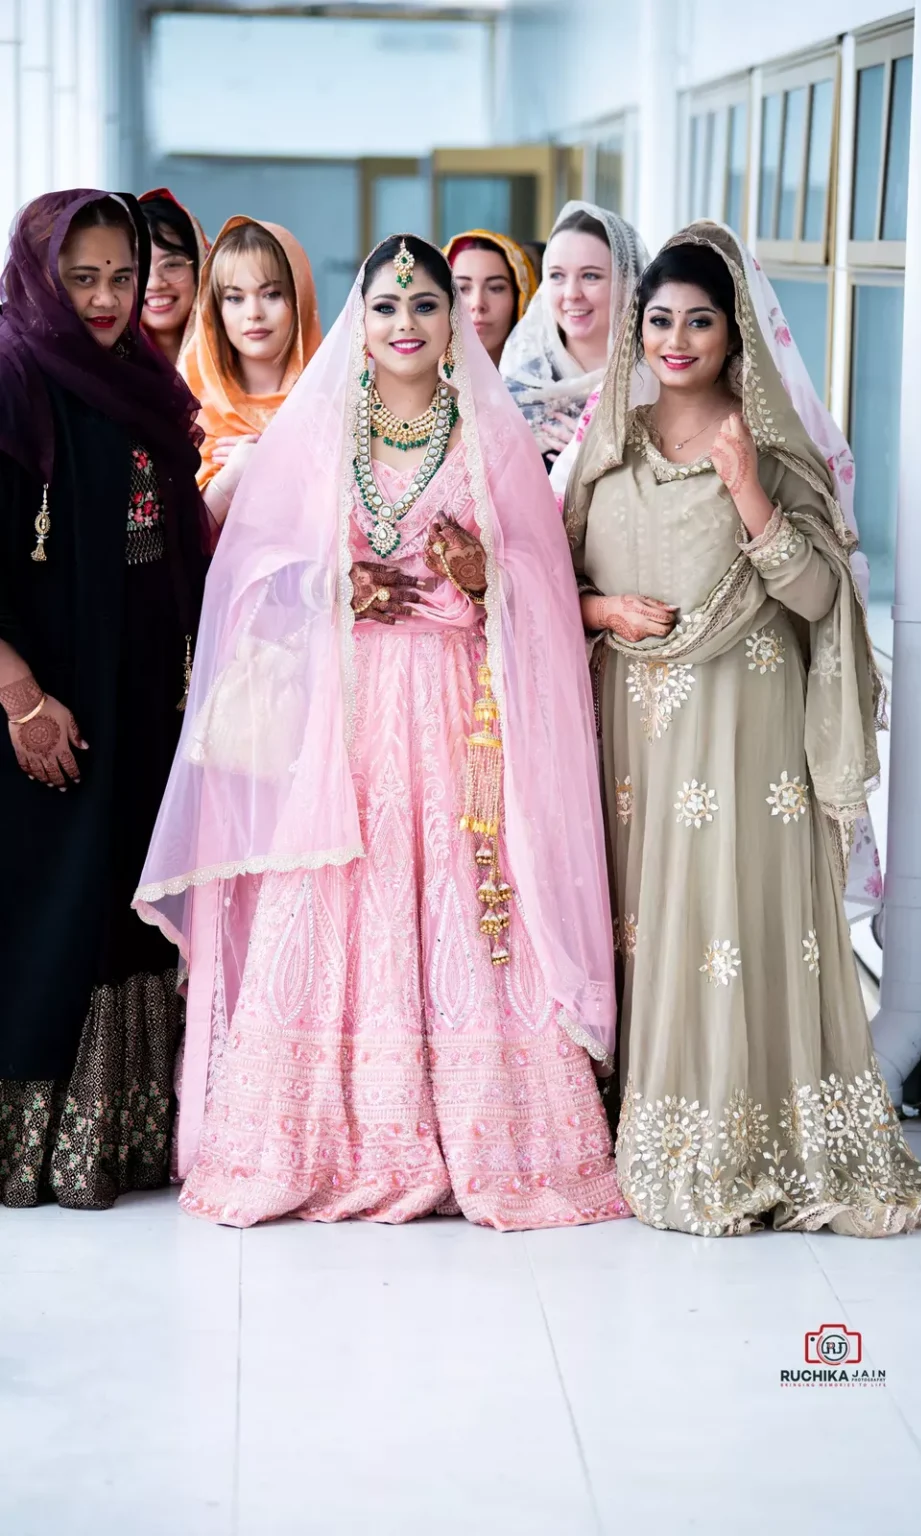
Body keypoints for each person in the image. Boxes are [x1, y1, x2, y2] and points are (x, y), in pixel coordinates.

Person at [135, 234, 625, 1231]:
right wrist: (336, 582)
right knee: (337, 903)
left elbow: (538, 584)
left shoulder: (487, 438)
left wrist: (485, 576)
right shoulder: (320, 434)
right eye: (387, 307)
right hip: (343, 717)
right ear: (361, 321)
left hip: (457, 718)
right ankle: (319, 1138)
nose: (406, 325)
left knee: (455, 902)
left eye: (426, 307)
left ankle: (486, 1135)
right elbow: (245, 579)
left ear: (455, 324)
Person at [564, 222, 921, 1237]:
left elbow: (815, 597)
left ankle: (754, 1133)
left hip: (747, 735)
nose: (676, 339)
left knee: (732, 922)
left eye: (698, 320)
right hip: (636, 738)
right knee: (649, 918)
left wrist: (747, 491)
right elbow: (549, 587)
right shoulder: (604, 449)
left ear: (732, 332)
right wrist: (606, 612)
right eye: (658, 319)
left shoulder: (772, 445)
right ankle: (652, 1119)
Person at [0, 191, 209, 1208]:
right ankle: (35, 1146)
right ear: (42, 274)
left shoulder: (138, 377)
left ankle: (121, 1138)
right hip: (45, 697)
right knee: (56, 901)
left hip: (135, 687)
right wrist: (20, 695)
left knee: (127, 896)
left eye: (121, 275)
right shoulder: (10, 375)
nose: (106, 296)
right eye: (80, 277)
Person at [181, 215, 321, 526]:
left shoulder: (340, 400)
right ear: (214, 308)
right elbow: (177, 544)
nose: (254, 314)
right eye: (234, 298)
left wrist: (276, 461)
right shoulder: (185, 405)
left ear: (300, 297)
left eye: (271, 294)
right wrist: (234, 475)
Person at [500, 201, 648, 472]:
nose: (571, 293)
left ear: (628, 282)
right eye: (557, 276)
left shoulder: (655, 380)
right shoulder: (521, 387)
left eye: (590, 276)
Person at [442, 229, 536, 367]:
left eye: (496, 288)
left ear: (520, 298)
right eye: (462, 288)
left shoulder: (549, 384)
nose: (478, 303)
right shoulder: (411, 384)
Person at [139, 187, 210, 367]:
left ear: (201, 268)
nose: (155, 283)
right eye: (137, 268)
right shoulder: (98, 372)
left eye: (171, 265)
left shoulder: (240, 361)